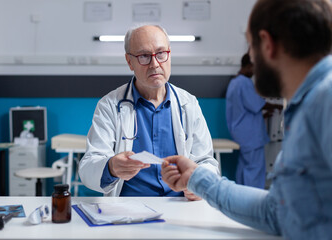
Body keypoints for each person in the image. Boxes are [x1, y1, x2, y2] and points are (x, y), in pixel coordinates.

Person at [161, 0, 332, 238]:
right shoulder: (306, 106)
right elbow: (278, 212)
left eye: (250, 45)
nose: (250, 55)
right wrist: (197, 178)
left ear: (267, 44)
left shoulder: (326, 97)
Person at [79, 24, 219, 200]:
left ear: (169, 54)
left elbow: (206, 161)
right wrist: (111, 167)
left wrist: (199, 181)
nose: (155, 64)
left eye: (161, 53)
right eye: (144, 56)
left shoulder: (188, 104)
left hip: (180, 206)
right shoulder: (109, 105)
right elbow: (88, 167)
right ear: (129, 62)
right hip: (129, 209)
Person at [226, 53, 282, 188]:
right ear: (249, 66)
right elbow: (258, 104)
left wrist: (264, 114)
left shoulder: (234, 82)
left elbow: (244, 110)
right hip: (250, 136)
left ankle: (241, 196)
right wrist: (278, 106)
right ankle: (254, 198)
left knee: (245, 166)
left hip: (241, 132)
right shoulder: (244, 83)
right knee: (255, 169)